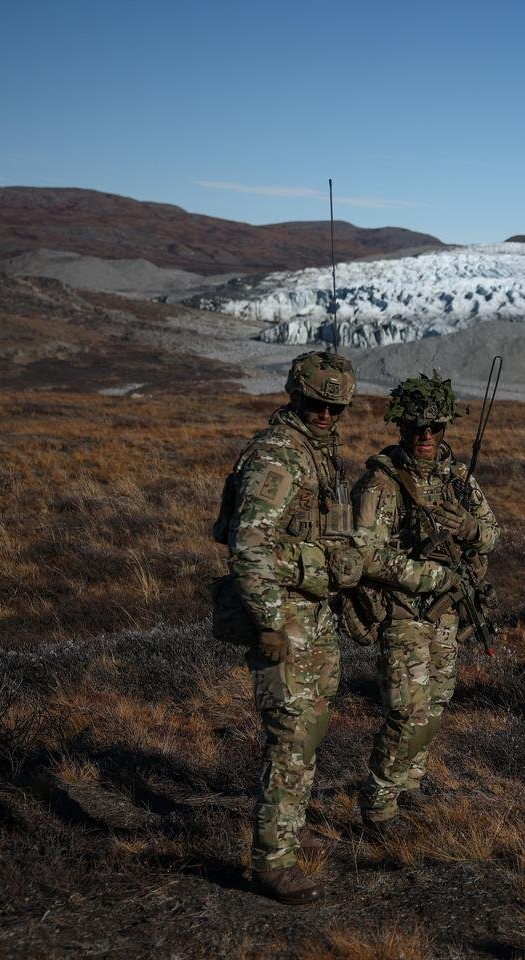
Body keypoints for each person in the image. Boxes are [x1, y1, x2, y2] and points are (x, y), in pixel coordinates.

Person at [217, 352, 441, 904]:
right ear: (295, 397)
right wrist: (269, 621)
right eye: (316, 404)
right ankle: (272, 862)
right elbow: (249, 547)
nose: (325, 414)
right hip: (286, 615)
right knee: (291, 735)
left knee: (312, 729)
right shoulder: (278, 457)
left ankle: (285, 836)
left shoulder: (318, 454)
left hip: (313, 614)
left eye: (334, 407)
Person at [350, 373, 500, 833]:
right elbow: (366, 555)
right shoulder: (381, 484)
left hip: (446, 613)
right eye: (417, 428)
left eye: (435, 427)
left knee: (437, 699)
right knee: (407, 708)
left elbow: (493, 533)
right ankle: (378, 804)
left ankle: (409, 782)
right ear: (402, 427)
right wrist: (430, 575)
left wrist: (470, 531)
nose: (426, 437)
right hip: (402, 612)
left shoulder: (459, 479)